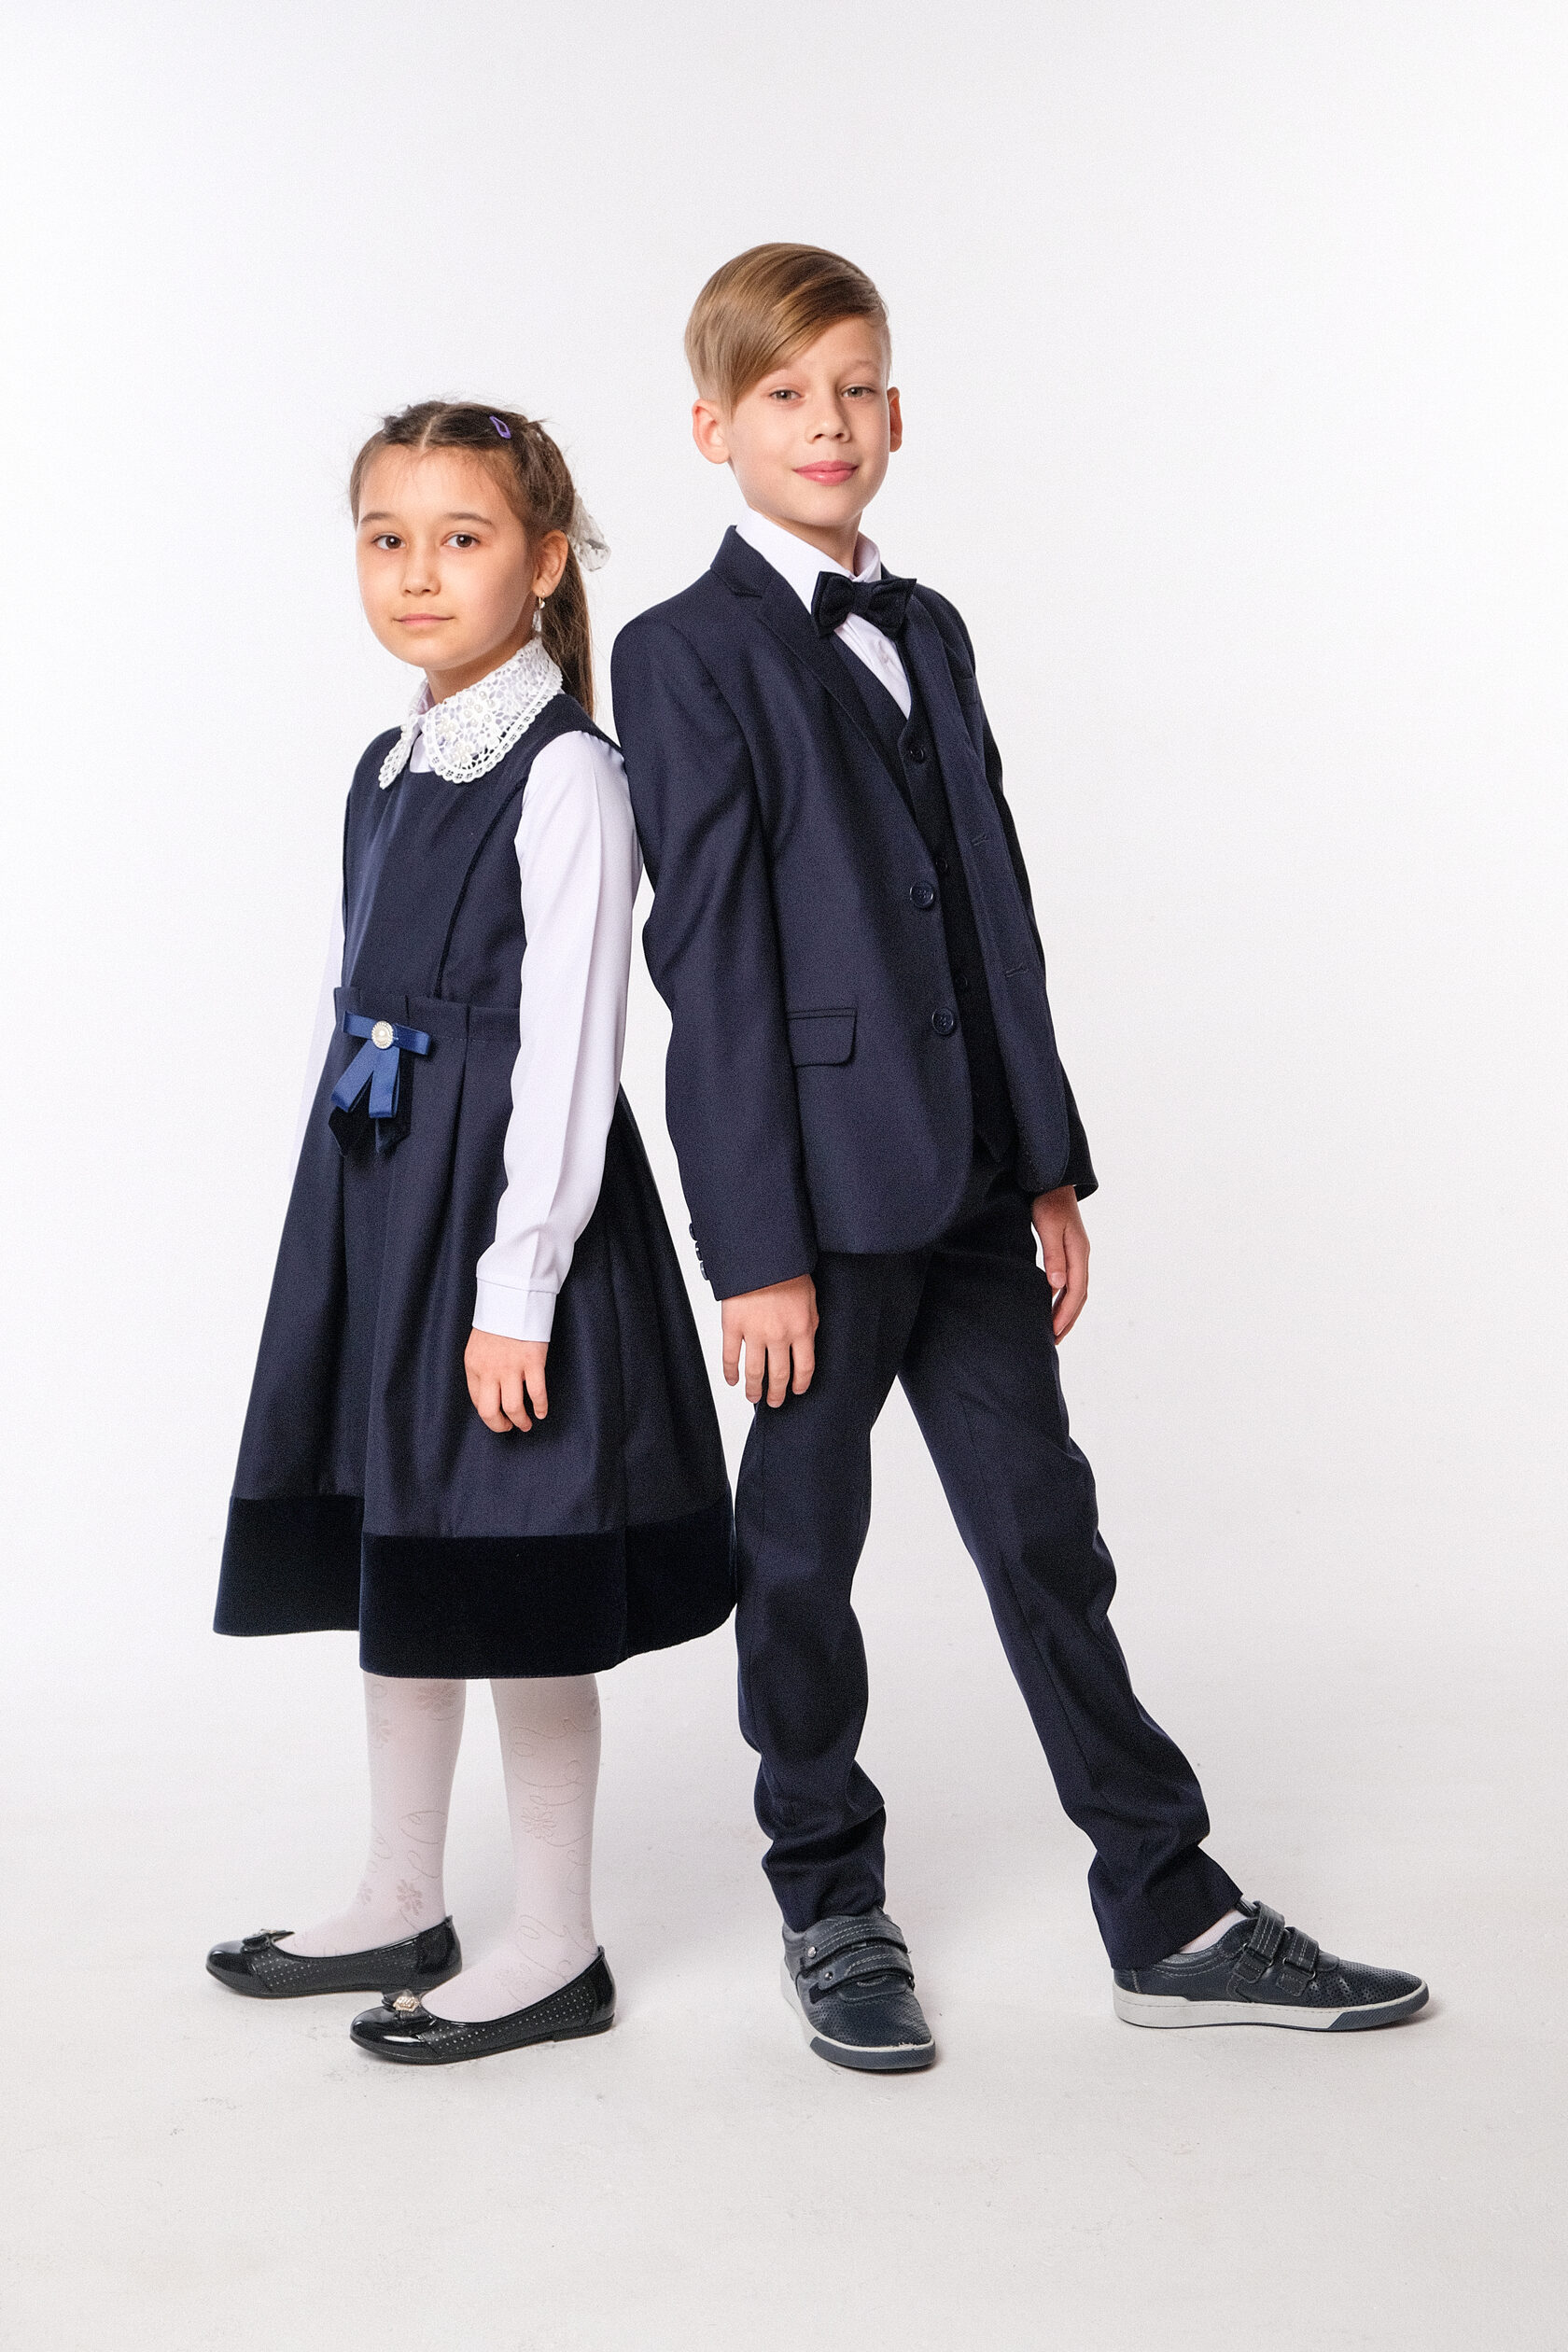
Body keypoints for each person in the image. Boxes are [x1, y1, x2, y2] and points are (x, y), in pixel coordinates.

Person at [610, 245, 1427, 2072]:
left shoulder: (934, 628)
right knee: (800, 1563)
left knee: (1047, 1543)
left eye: (856, 387)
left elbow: (989, 905)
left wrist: (1046, 1162)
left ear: (897, 412)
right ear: (714, 427)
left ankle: (1170, 1909)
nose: (828, 422)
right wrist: (753, 1252)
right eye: (785, 395)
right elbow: (709, 971)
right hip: (816, 1215)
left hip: (975, 1184)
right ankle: (830, 1901)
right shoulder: (684, 653)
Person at [208, 400, 733, 2067]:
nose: (418, 573)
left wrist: (522, 1283)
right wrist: (336, 1222)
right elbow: (353, 994)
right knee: (408, 1544)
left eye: (462, 538)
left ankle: (557, 1940)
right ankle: (400, 1893)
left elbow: (573, 1047)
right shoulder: (384, 769)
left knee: (513, 1564)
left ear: (544, 561)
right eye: (388, 539)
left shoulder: (567, 772)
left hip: (504, 1217)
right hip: (382, 1207)